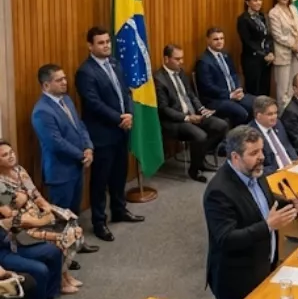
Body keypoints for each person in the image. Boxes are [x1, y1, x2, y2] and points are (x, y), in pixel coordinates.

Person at [203, 125, 298, 299]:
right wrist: (268, 226)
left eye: (261, 150)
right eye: (254, 153)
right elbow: (227, 239)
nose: (262, 157)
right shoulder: (219, 192)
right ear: (235, 157)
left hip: (264, 265)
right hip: (237, 280)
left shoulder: (255, 171)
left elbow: (265, 203)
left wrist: (294, 206)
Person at [75, 26, 143, 242]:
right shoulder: (85, 72)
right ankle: (99, 222)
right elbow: (93, 103)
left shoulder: (114, 63)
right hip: (102, 134)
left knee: (119, 174)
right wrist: (119, 118)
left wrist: (129, 114)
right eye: (101, 43)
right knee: (100, 180)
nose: (106, 46)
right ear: (90, 46)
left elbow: (126, 92)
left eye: (107, 41)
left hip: (122, 130)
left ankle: (119, 210)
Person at [0, 141, 84, 297]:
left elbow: (35, 194)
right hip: (21, 228)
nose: (11, 156)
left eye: (11, 152)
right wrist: (44, 220)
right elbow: (11, 216)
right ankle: (61, 280)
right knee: (61, 237)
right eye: (5, 155)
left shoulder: (19, 170)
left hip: (37, 213)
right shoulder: (0, 185)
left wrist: (48, 209)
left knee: (73, 224)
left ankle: (65, 273)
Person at [154, 46, 227, 183]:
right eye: (177, 59)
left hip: (193, 114)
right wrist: (187, 118)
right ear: (166, 59)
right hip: (175, 121)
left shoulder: (181, 72)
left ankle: (200, 158)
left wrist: (202, 109)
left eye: (182, 58)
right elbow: (164, 109)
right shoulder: (159, 79)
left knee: (221, 125)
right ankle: (194, 170)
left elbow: (191, 95)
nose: (181, 62)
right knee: (200, 136)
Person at [31, 65, 93, 216]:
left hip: (77, 167)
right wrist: (82, 155)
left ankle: (74, 232)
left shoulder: (66, 100)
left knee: (74, 212)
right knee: (61, 217)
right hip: (60, 173)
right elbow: (56, 143)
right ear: (46, 85)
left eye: (64, 78)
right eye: (59, 80)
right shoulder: (41, 111)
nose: (65, 82)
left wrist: (88, 147)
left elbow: (79, 125)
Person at [194, 28, 255, 127]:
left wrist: (238, 89)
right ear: (208, 40)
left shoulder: (225, 55)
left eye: (222, 38)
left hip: (234, 94)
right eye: (216, 39)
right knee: (242, 113)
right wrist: (229, 95)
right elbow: (208, 87)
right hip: (216, 100)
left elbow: (234, 74)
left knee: (257, 104)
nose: (220, 42)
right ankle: (238, 135)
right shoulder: (203, 61)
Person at [268, 0, 298, 108]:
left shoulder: (293, 9)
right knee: (283, 89)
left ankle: (294, 112)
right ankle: (282, 114)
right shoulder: (274, 13)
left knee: (294, 85)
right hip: (282, 53)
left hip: (296, 52)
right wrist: (292, 44)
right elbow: (277, 35)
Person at [236, 0, 274, 98]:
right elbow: (247, 41)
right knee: (254, 91)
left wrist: (270, 52)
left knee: (265, 90)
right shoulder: (243, 19)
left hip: (266, 60)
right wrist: (263, 54)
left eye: (260, 0)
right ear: (247, 2)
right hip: (252, 60)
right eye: (255, 0)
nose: (258, 3)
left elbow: (269, 37)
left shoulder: (263, 16)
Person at [251, 96, 297, 175]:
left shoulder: (278, 123)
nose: (274, 117)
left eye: (275, 113)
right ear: (258, 115)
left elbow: (287, 145)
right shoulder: (251, 134)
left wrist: (295, 159)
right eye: (270, 114)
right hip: (275, 174)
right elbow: (254, 168)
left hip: (293, 167)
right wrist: (277, 170)